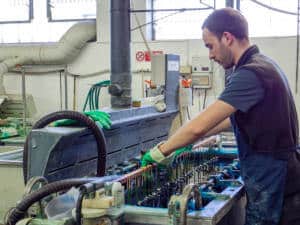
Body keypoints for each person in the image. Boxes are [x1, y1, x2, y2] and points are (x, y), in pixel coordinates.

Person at [141, 7, 300, 225]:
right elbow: (228, 119)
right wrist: (187, 142)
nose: (210, 55)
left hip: (273, 177)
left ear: (227, 38)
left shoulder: (250, 74)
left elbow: (200, 126)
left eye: (210, 46)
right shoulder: (264, 64)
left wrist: (161, 151)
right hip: (276, 174)